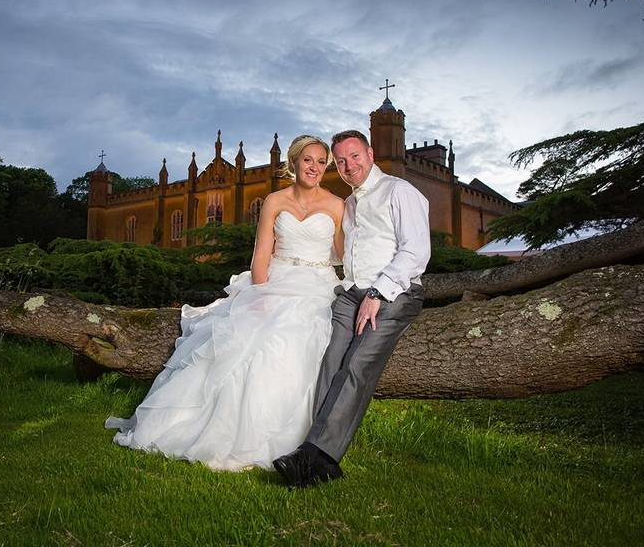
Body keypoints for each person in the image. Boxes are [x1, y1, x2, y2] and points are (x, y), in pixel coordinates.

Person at [105, 135, 345, 471]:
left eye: (322, 162)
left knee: (297, 338)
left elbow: (345, 254)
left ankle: (292, 436)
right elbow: (261, 254)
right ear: (294, 162)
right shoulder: (274, 200)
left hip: (317, 285)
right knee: (249, 337)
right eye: (308, 160)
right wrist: (260, 295)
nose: (315, 168)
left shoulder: (337, 205)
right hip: (276, 280)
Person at [273, 129, 431, 488]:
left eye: (354, 156)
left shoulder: (399, 192)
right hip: (351, 293)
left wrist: (378, 293)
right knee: (330, 360)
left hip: (395, 293)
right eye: (341, 161)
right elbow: (342, 254)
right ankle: (316, 454)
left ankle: (314, 458)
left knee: (358, 362)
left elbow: (416, 252)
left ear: (371, 154)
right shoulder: (352, 202)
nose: (348, 166)